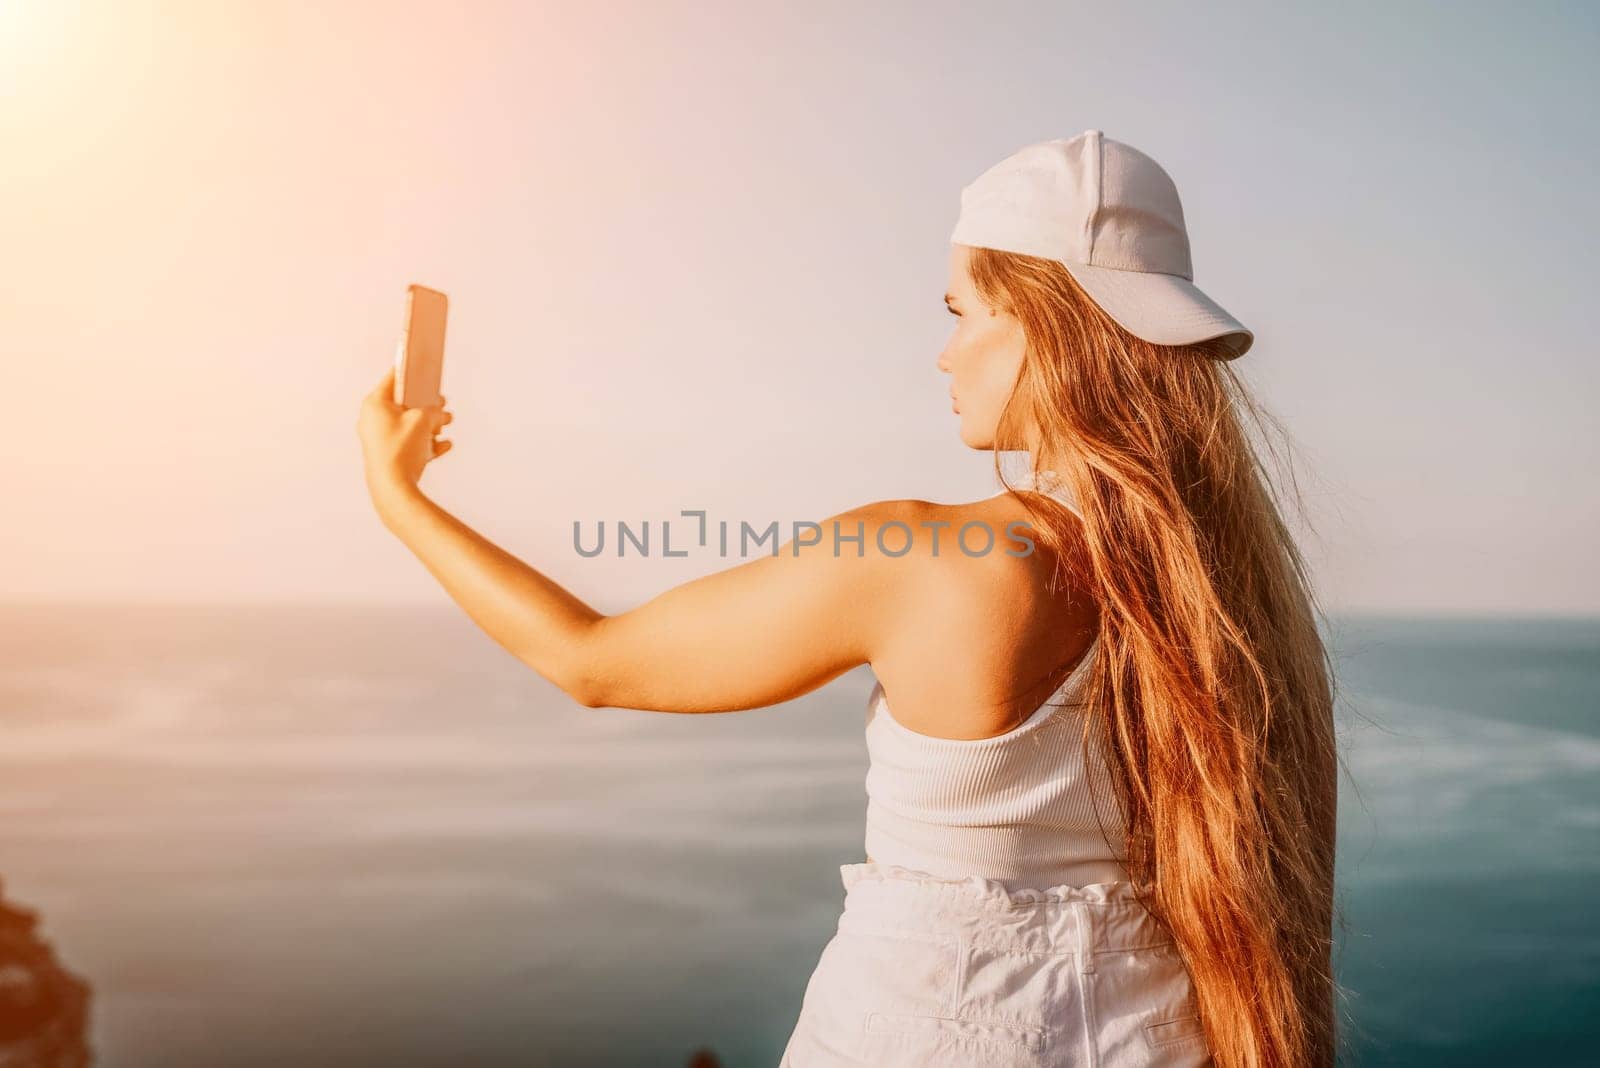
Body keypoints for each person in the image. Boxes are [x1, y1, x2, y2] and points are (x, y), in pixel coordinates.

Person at [357, 129, 1344, 1068]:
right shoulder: (1242, 605)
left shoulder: (933, 558)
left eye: (959, 310)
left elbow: (592, 660)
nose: (942, 353)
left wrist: (399, 500)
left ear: (1039, 322)